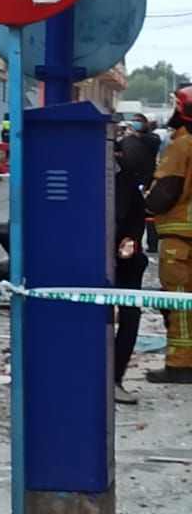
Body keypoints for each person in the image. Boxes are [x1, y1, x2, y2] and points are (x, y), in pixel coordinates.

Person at [143, 86, 192, 384]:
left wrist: (145, 198)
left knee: (179, 305)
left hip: (181, 239)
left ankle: (180, 365)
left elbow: (165, 194)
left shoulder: (182, 145)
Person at [113, 138, 149, 404]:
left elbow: (136, 215)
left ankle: (114, 377)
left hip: (124, 258)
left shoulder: (124, 175)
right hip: (87, 259)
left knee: (130, 315)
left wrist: (129, 242)